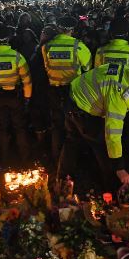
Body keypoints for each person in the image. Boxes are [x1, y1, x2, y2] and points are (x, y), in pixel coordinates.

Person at [57, 63, 129, 191]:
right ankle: (112, 189)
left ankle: (62, 180)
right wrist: (119, 167)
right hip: (81, 110)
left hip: (72, 96)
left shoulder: (127, 71)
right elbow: (113, 134)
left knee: (72, 141)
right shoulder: (120, 96)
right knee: (101, 145)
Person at [0, 25, 32, 169]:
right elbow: (27, 80)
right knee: (19, 127)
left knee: (1, 128)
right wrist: (27, 97)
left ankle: (3, 159)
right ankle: (24, 159)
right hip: (15, 96)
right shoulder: (17, 56)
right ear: (8, 39)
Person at [42, 16, 92, 162]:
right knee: (75, 125)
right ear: (72, 29)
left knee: (56, 125)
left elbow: (47, 67)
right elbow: (87, 67)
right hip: (73, 91)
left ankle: (56, 156)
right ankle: (74, 159)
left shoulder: (47, 46)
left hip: (54, 90)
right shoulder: (78, 46)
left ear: (58, 28)